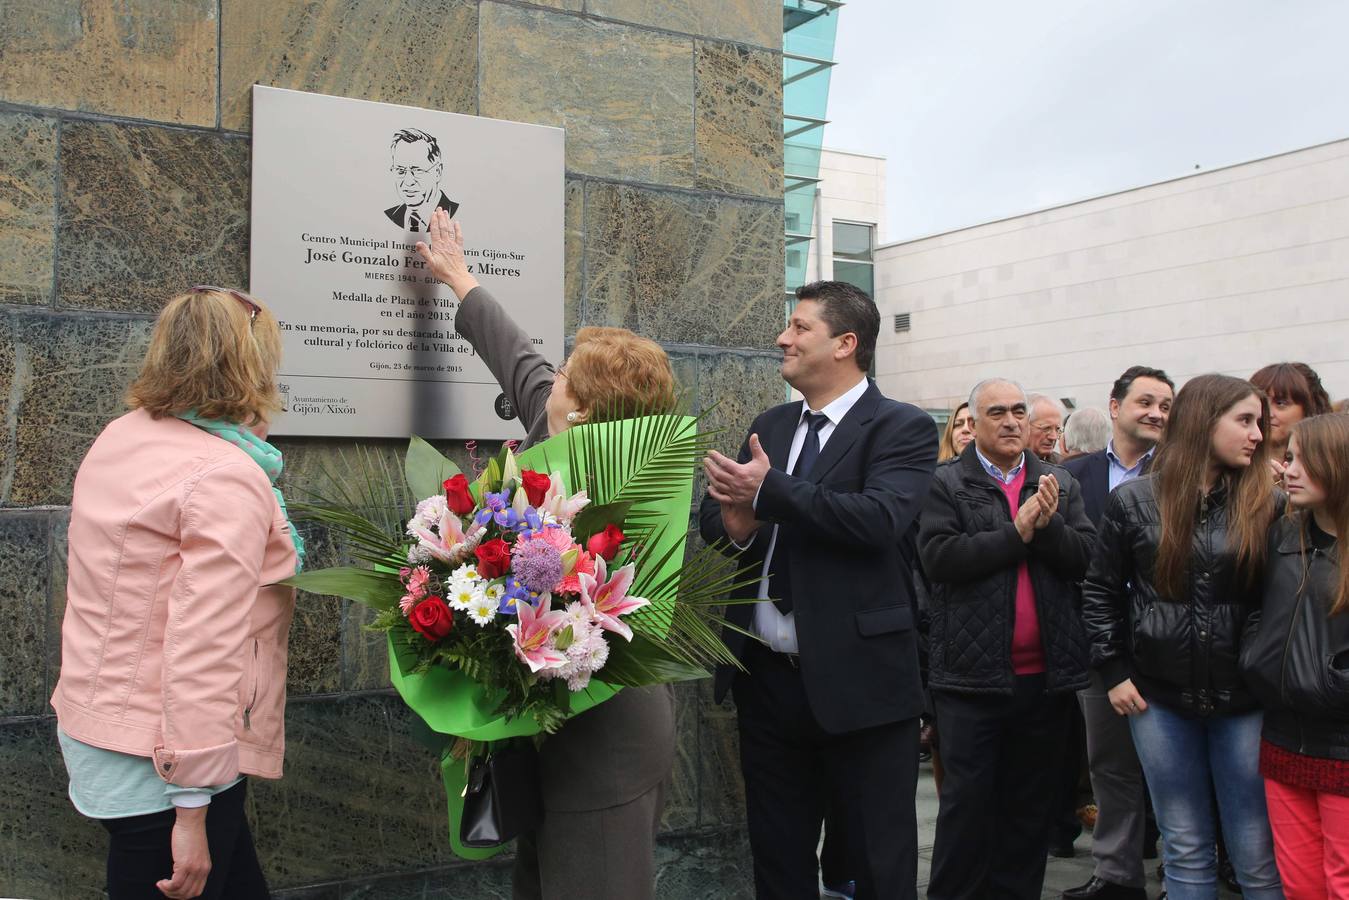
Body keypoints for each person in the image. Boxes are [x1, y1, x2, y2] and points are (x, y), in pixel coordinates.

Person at [415, 211, 677, 900]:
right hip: (539, 744)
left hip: (606, 753)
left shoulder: (635, 494)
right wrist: (457, 276)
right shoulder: (548, 421)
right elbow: (515, 356)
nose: (547, 375)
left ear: (585, 413)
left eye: (564, 373)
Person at [52, 286, 303, 899]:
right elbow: (202, 645)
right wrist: (190, 805)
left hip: (102, 725)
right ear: (250, 366)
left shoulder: (125, 436)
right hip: (166, 765)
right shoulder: (225, 476)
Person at [698, 280, 937, 900]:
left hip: (863, 684)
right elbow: (718, 521)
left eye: (801, 327)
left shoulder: (902, 428)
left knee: (879, 858)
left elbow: (878, 519)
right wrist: (736, 520)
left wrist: (768, 495)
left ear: (845, 344)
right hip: (767, 680)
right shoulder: (771, 426)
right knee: (778, 854)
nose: (784, 337)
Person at [1081, 373, 1284, 900]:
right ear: (1202, 422)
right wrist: (1114, 670)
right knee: (1185, 847)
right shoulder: (1135, 501)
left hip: (1244, 700)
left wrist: (1258, 665)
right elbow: (1100, 591)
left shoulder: (1270, 504)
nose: (1258, 435)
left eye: (1258, 422)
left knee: (1255, 852)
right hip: (1158, 699)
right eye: (1244, 421)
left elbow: (1279, 603)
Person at [920, 378, 1096, 900]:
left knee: (1027, 813)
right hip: (971, 681)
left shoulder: (1058, 481)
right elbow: (939, 558)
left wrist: (1047, 526)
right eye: (998, 411)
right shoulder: (946, 483)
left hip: (1044, 681)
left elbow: (1085, 556)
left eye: (1019, 410)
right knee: (966, 811)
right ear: (972, 423)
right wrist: (1015, 534)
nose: (1012, 420)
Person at [1062, 365, 1174, 900]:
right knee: (1109, 764)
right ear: (1114, 406)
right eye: (1145, 402)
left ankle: (1181, 873)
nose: (1155, 413)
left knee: (1176, 767)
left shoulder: (1181, 473)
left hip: (1170, 642)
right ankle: (1117, 874)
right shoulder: (1072, 474)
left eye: (1165, 405)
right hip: (1098, 643)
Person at [1241, 413, 1349, 900]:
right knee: (1300, 885)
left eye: (1308, 460)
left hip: (1343, 741)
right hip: (1284, 738)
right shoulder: (1281, 535)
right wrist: (1255, 657)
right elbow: (1252, 610)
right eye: (1290, 458)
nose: (1291, 470)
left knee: (1342, 881)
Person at [1250, 362, 1332, 483]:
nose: (1268, 413)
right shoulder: (1233, 468)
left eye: (1280, 403)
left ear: (1307, 409)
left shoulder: (1327, 468)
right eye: (1261, 403)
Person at [385, 128, 458, 232]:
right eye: (400, 170)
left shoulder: (456, 214)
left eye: (418, 170)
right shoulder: (391, 215)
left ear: (438, 172)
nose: (408, 182)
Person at [1028, 393, 1068, 462]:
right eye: (1046, 428)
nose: (1054, 437)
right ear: (1025, 426)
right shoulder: (1007, 464)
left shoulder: (1062, 466)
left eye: (1057, 429)